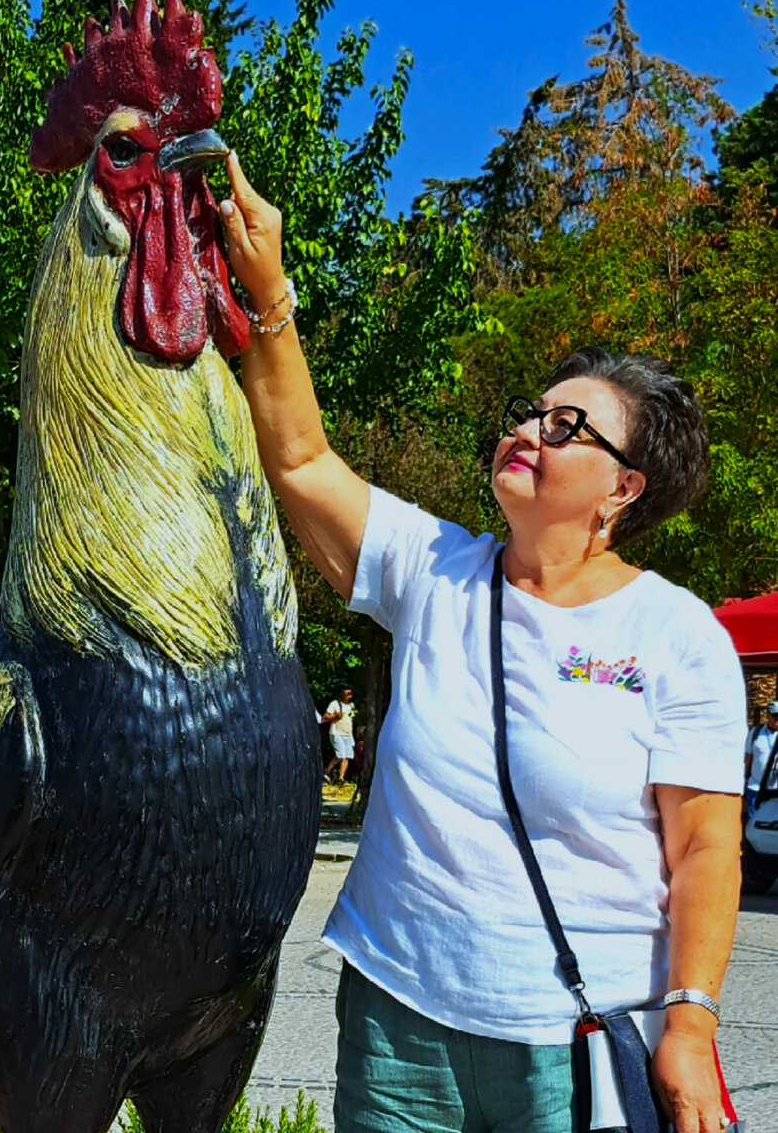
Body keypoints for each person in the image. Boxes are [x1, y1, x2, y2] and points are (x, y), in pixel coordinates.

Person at [218, 154, 745, 1133]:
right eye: (529, 413)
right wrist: (269, 293)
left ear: (623, 489)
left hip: (573, 1036)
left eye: (566, 426)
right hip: (398, 1019)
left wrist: (689, 1019)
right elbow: (298, 457)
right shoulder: (435, 572)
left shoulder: (676, 637)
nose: (529, 430)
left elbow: (706, 845)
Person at [745, 701, 778, 815]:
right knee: (754, 823)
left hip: (775, 791)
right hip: (755, 788)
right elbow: (748, 757)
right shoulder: (756, 733)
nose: (777, 720)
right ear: (768, 715)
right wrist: (744, 780)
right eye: (775, 716)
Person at [323, 688, 356, 783]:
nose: (349, 695)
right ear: (342, 694)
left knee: (347, 756)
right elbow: (325, 717)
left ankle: (341, 778)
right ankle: (327, 771)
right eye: (347, 693)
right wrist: (335, 716)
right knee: (340, 755)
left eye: (350, 693)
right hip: (336, 732)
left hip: (348, 734)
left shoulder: (352, 706)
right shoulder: (335, 704)